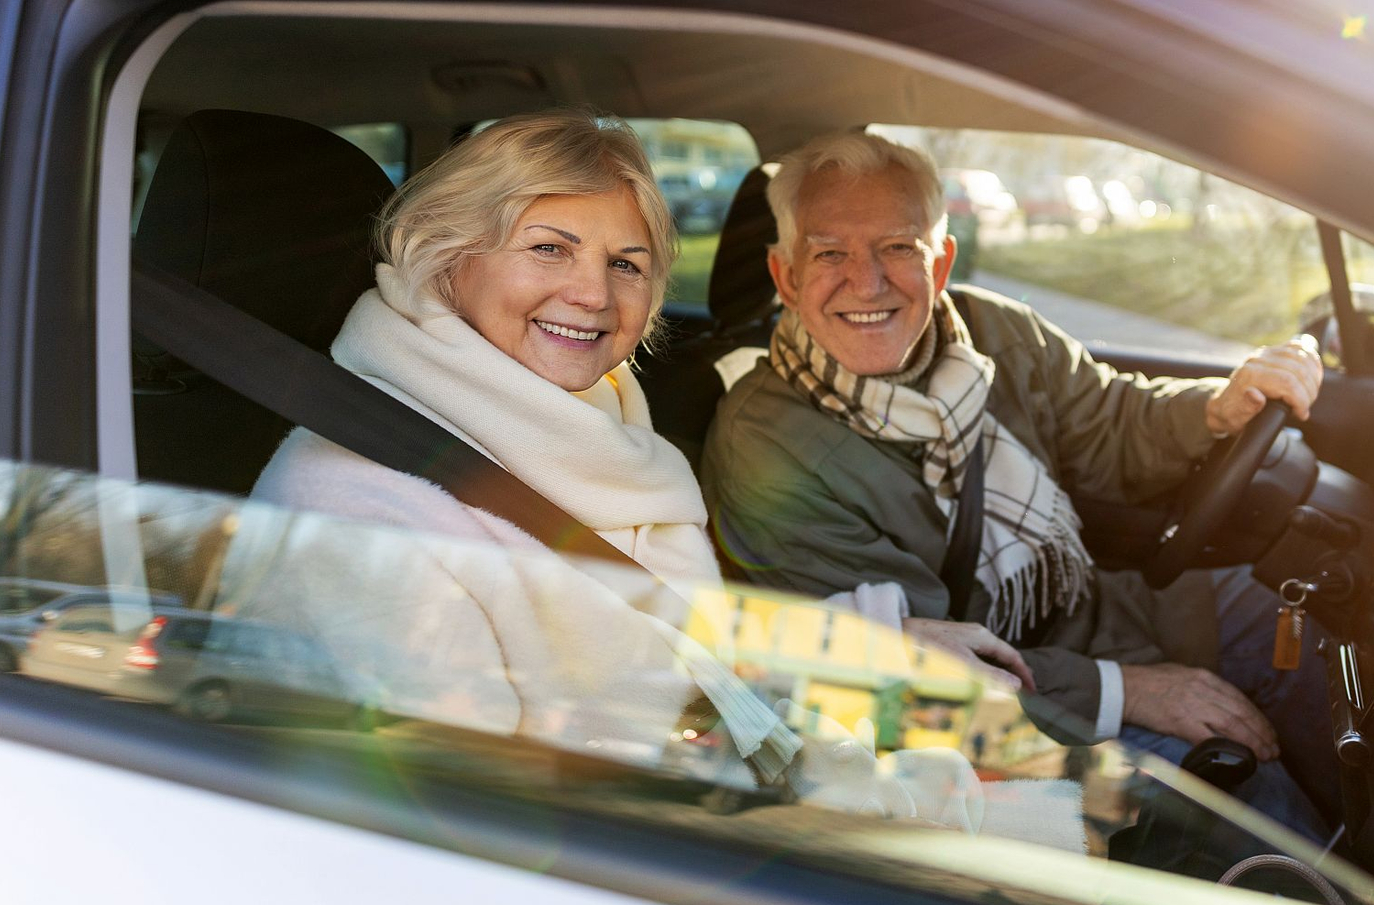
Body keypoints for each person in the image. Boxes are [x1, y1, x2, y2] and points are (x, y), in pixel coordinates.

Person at [233, 111, 972, 826]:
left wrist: (871, 637)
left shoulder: (593, 428)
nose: (592, 294)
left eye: (626, 264)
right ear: (447, 257)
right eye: (549, 248)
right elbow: (459, 834)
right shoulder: (355, 522)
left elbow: (669, 655)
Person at [700, 129, 1339, 837]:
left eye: (897, 248)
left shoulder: (991, 328)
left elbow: (1114, 424)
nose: (868, 281)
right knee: (1245, 801)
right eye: (830, 254)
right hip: (992, 726)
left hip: (1106, 617)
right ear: (785, 276)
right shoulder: (764, 447)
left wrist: (1219, 408)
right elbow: (920, 680)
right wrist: (1129, 691)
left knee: (1316, 642)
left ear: (940, 262)